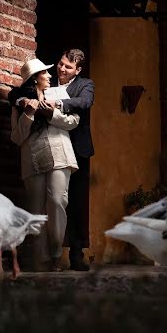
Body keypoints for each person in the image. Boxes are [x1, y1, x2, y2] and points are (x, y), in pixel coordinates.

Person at [9, 58, 80, 271]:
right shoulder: (20, 103)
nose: (50, 76)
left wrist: (51, 113)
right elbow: (17, 137)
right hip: (33, 158)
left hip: (59, 154)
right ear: (34, 79)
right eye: (45, 73)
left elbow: (74, 121)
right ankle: (42, 260)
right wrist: (29, 113)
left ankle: (57, 254)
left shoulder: (58, 95)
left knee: (58, 201)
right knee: (36, 209)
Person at [51, 49, 94, 271]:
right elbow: (21, 92)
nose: (62, 69)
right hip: (52, 146)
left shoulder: (85, 84)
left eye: (68, 67)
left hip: (77, 149)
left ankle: (76, 255)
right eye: (61, 63)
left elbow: (85, 103)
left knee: (76, 203)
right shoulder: (46, 78)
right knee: (55, 200)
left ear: (77, 70)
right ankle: (50, 253)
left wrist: (58, 103)